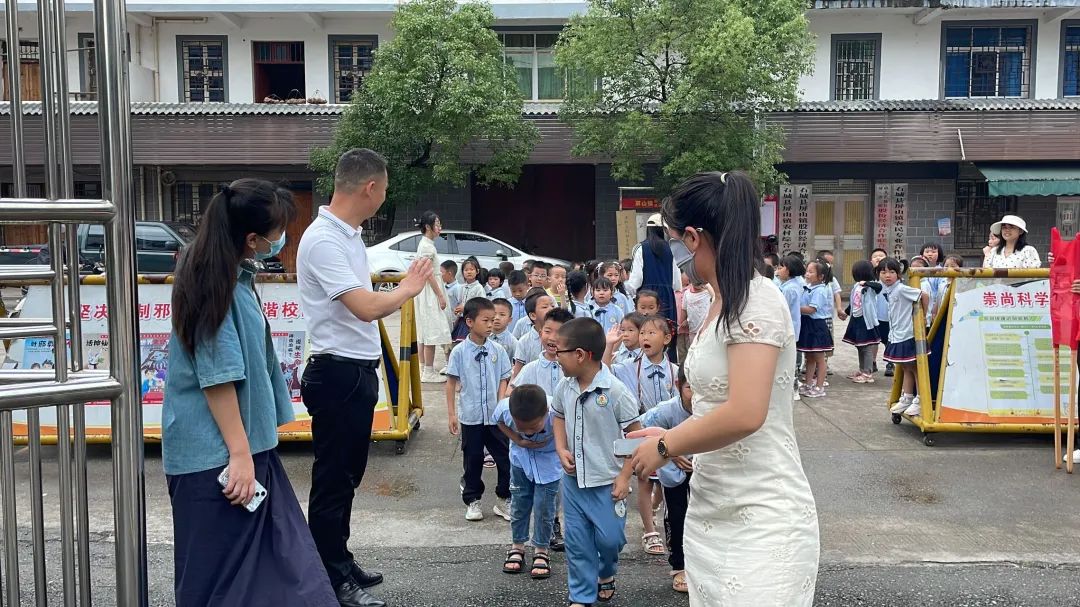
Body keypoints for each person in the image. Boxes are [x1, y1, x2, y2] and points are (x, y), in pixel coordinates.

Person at [628, 171, 820, 607]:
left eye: (676, 241)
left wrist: (665, 446)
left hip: (763, 512)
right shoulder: (717, 300)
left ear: (693, 238)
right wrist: (669, 436)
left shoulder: (757, 300)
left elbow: (746, 412)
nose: (676, 255)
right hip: (712, 505)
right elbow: (713, 405)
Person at [164, 179, 338, 607]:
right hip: (220, 459)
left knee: (273, 572)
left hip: (242, 449)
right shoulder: (213, 285)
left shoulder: (229, 275)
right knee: (226, 580)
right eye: (277, 233)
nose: (281, 241)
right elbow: (217, 377)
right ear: (251, 239)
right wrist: (239, 456)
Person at [297, 149, 433, 607]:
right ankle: (330, 575)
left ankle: (339, 556)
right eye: (386, 188)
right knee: (333, 479)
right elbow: (363, 306)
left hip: (354, 371)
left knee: (347, 475)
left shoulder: (348, 236)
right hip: (335, 372)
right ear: (370, 188)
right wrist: (408, 288)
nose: (384, 196)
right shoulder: (323, 240)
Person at [552, 318, 642, 607]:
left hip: (608, 484)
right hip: (574, 482)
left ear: (580, 355)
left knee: (610, 540)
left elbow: (635, 435)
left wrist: (625, 476)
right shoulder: (565, 387)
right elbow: (558, 416)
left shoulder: (615, 392)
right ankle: (581, 596)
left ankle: (606, 572)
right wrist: (560, 447)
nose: (557, 359)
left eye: (559, 353)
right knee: (577, 543)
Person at [610, 315, 677, 558]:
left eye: (651, 333)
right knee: (644, 480)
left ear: (667, 339)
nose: (644, 338)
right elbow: (605, 372)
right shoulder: (628, 367)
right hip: (641, 429)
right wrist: (610, 346)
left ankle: (656, 508)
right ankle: (650, 531)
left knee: (667, 480)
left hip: (669, 434)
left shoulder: (675, 371)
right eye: (643, 333)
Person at [446, 297, 513, 522]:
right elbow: (451, 382)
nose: (490, 324)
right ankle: (472, 499)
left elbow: (505, 377)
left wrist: (501, 401)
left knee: (505, 458)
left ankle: (504, 498)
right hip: (471, 416)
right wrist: (452, 414)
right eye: (485, 320)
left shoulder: (498, 350)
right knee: (473, 459)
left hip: (495, 417)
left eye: (493, 320)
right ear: (470, 321)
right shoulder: (459, 352)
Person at [495, 385, 562, 579]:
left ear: (546, 413)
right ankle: (517, 546)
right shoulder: (505, 409)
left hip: (549, 462)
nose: (529, 432)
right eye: (522, 428)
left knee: (544, 507)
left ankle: (541, 549)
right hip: (520, 460)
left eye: (534, 427)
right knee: (519, 502)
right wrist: (517, 438)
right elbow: (498, 421)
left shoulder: (557, 411)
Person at [639, 365, 695, 595]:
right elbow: (640, 428)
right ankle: (679, 566)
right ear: (678, 386)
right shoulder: (667, 411)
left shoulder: (714, 408)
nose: (696, 395)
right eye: (690, 388)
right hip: (675, 472)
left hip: (706, 468)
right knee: (677, 515)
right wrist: (669, 451)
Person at [882, 258, 930, 419]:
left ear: (898, 274)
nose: (887, 275)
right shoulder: (889, 290)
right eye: (883, 272)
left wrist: (923, 315)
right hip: (896, 334)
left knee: (914, 367)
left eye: (891, 272)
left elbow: (924, 295)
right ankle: (907, 397)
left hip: (907, 334)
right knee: (904, 367)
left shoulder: (901, 289)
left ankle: (920, 399)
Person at [413, 211, 451, 384]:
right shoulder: (427, 246)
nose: (439, 227)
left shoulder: (426, 244)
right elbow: (428, 274)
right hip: (430, 291)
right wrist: (440, 295)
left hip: (426, 290)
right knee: (432, 330)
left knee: (425, 330)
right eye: (436, 223)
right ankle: (428, 370)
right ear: (428, 227)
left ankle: (424, 367)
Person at [627, 214, 681, 332]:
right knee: (666, 331)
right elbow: (677, 283)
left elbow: (636, 281)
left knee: (646, 332)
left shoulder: (640, 248)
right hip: (667, 297)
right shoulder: (671, 249)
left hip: (645, 297)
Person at [509, 308, 574, 397]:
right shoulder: (530, 369)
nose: (552, 338)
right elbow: (516, 396)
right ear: (540, 334)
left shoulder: (574, 368)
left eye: (559, 333)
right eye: (547, 331)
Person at [798, 260, 835, 398]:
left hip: (816, 326)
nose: (807, 274)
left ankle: (819, 386)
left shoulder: (820, 290)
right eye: (807, 271)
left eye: (811, 272)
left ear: (821, 277)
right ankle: (808, 384)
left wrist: (794, 308)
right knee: (809, 357)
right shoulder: (809, 287)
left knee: (819, 358)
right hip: (808, 325)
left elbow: (812, 309)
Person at [842, 260, 883, 384]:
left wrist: (867, 283)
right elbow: (853, 303)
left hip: (866, 321)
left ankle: (868, 372)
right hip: (856, 319)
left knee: (867, 348)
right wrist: (846, 312)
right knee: (860, 346)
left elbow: (879, 287)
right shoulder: (856, 286)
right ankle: (862, 369)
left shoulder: (871, 287)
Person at [777, 254, 806, 400]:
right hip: (793, 327)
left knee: (790, 362)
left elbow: (783, 308)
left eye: (781, 267)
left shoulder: (789, 289)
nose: (778, 270)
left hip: (789, 328)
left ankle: (793, 389)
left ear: (788, 271)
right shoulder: (793, 284)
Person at [512, 290, 557, 377]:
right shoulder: (524, 341)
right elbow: (517, 374)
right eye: (545, 307)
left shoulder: (561, 338)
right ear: (533, 315)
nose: (551, 309)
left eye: (552, 305)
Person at [489, 298, 518, 363]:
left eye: (502, 315)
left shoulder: (513, 342)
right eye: (494, 314)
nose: (497, 318)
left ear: (510, 320)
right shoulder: (482, 337)